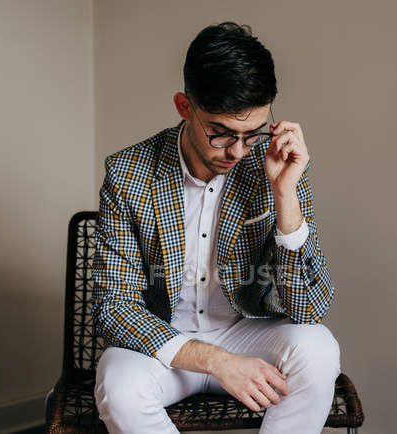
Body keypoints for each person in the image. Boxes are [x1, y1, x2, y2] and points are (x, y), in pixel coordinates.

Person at [91, 21, 340, 433]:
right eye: (221, 134)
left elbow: (309, 310)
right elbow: (114, 305)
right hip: (165, 345)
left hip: (248, 334)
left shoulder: (275, 166)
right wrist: (215, 361)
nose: (239, 151)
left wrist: (285, 195)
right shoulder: (128, 172)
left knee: (319, 349)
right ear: (184, 106)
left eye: (252, 133)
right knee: (119, 386)